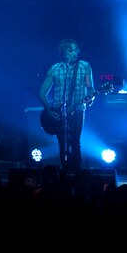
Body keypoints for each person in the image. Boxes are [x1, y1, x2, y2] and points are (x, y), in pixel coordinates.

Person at [39, 38, 94, 174]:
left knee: (75, 142)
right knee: (62, 143)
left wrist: (90, 98)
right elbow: (42, 93)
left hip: (78, 110)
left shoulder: (84, 66)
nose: (74, 53)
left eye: (76, 50)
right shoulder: (55, 69)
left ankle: (77, 172)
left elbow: (91, 88)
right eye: (70, 50)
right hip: (58, 112)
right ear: (63, 52)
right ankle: (65, 172)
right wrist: (50, 112)